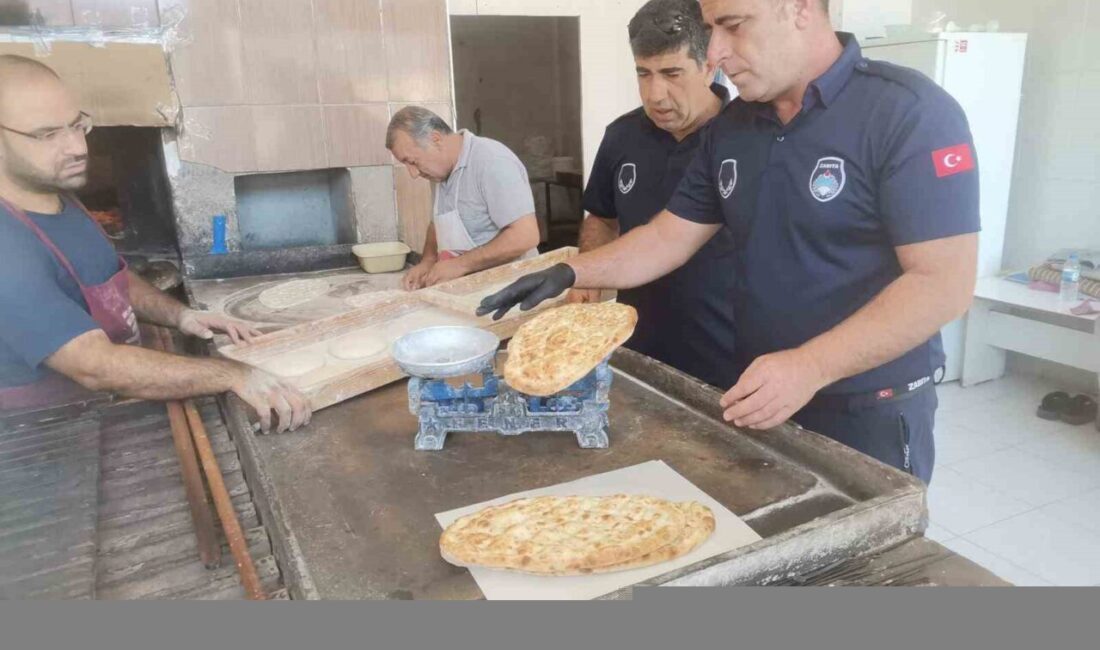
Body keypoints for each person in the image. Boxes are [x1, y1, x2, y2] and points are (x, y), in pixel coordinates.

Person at [478, 0, 981, 483]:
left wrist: (810, 365)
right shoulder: (737, 127)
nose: (715, 52)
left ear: (800, 8)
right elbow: (667, 237)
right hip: (756, 393)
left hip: (867, 407)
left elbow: (943, 284)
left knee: (862, 567)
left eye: (732, 25)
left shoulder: (907, 112)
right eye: (711, 28)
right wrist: (572, 271)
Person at [0, 55, 309, 432]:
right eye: (48, 135)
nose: (78, 148)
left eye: (77, 125)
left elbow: (111, 280)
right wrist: (234, 374)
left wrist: (181, 316)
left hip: (106, 407)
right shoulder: (7, 244)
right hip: (48, 437)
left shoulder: (59, 197)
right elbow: (94, 366)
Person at [569, 0, 738, 390]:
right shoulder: (621, 136)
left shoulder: (745, 138)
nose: (655, 94)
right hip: (637, 347)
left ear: (709, 63)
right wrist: (585, 278)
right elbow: (602, 217)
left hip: (727, 363)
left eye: (672, 73)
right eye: (643, 74)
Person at [385, 107, 541, 291]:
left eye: (412, 161)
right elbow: (438, 223)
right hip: (472, 290)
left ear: (435, 139)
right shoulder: (438, 173)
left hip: (512, 289)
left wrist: (460, 264)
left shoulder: (492, 161)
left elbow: (526, 236)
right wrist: (428, 260)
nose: (413, 173)